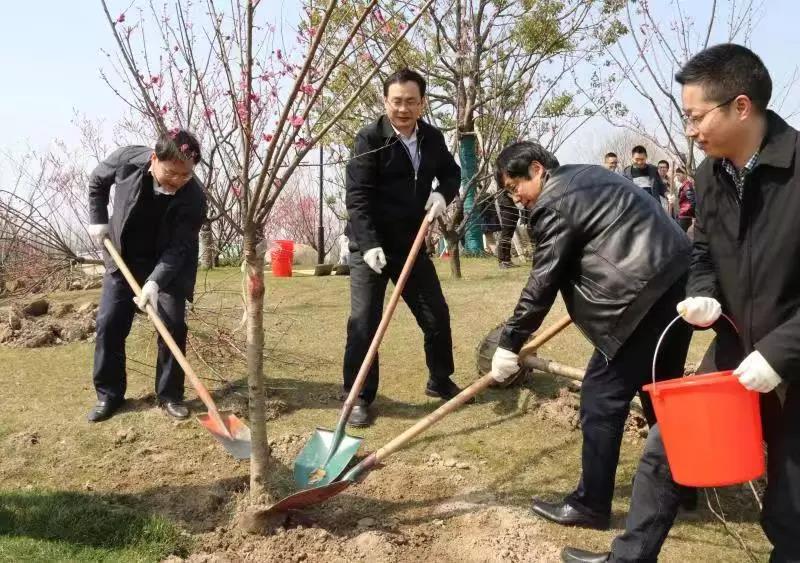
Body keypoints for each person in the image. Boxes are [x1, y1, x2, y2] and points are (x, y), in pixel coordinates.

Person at [561, 43, 800, 563]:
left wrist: (781, 353)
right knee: (668, 449)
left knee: (791, 497)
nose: (690, 130)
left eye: (695, 116)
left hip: (791, 356)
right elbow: (703, 250)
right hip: (738, 347)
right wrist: (704, 295)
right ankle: (630, 557)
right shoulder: (713, 174)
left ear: (741, 106)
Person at [490, 141, 692, 531]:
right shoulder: (585, 177)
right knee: (660, 392)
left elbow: (543, 280)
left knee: (601, 397)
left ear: (536, 169)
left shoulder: (554, 201)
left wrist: (509, 341)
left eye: (515, 186)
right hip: (677, 283)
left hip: (641, 296)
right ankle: (683, 485)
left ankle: (591, 504)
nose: (516, 197)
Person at [342, 68, 463, 427]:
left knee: (436, 315)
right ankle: (360, 397)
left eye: (411, 101)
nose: (403, 109)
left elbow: (451, 174)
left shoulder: (431, 137)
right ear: (385, 102)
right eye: (397, 101)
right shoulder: (370, 139)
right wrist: (367, 245)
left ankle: (439, 380)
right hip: (371, 250)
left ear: (422, 103)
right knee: (364, 323)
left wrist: (443, 194)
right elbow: (358, 198)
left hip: (411, 245)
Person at [86, 129, 207, 423]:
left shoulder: (194, 198)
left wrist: (155, 282)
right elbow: (97, 181)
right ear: (154, 158)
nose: (178, 180)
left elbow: (180, 248)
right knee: (109, 323)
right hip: (124, 256)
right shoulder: (128, 160)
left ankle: (169, 395)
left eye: (186, 175)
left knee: (173, 325)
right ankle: (109, 395)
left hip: (168, 264)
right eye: (172, 172)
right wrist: (98, 220)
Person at [496, 190, 521, 268]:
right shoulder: (502, 186)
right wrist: (515, 195)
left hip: (512, 210)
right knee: (505, 236)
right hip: (507, 210)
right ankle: (502, 261)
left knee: (508, 237)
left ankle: (507, 260)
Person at [675, 166, 696, 233]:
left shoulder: (687, 186)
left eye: (679, 174)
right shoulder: (684, 186)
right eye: (677, 175)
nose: (677, 177)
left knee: (681, 235)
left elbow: (692, 201)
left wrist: (692, 214)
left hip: (685, 215)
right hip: (683, 214)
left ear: (684, 174)